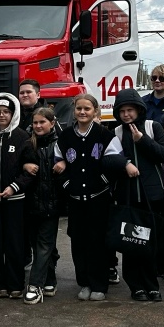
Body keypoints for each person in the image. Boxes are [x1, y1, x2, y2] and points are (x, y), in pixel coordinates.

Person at [103, 88, 164, 302]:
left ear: (139, 110)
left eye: (130, 110)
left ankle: (152, 286)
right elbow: (106, 161)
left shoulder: (154, 127)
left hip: (152, 198)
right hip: (127, 198)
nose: (126, 114)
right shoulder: (115, 133)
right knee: (131, 244)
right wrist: (125, 164)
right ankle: (136, 287)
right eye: (122, 111)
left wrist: (142, 140)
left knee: (150, 245)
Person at [53, 94, 115, 301]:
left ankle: (99, 284)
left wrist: (103, 182)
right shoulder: (65, 137)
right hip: (76, 200)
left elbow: (115, 162)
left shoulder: (104, 135)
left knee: (98, 242)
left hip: (99, 198)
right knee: (78, 242)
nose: (82, 112)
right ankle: (84, 283)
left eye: (87, 109)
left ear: (95, 111)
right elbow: (58, 164)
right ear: (74, 110)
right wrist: (69, 185)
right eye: (78, 108)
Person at [0, 93, 36, 297]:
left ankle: (16, 284)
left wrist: (13, 187)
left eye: (6, 112)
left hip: (15, 200)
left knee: (14, 243)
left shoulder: (22, 137)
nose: (2, 115)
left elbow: (30, 170)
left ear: (13, 114)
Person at [23, 107, 62, 302]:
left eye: (42, 122)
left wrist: (64, 164)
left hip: (52, 205)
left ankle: (35, 285)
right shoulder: (28, 143)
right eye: (35, 123)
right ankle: (50, 280)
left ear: (52, 123)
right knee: (38, 244)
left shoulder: (60, 144)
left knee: (44, 245)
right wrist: (24, 165)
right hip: (30, 205)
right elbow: (17, 164)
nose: (38, 126)